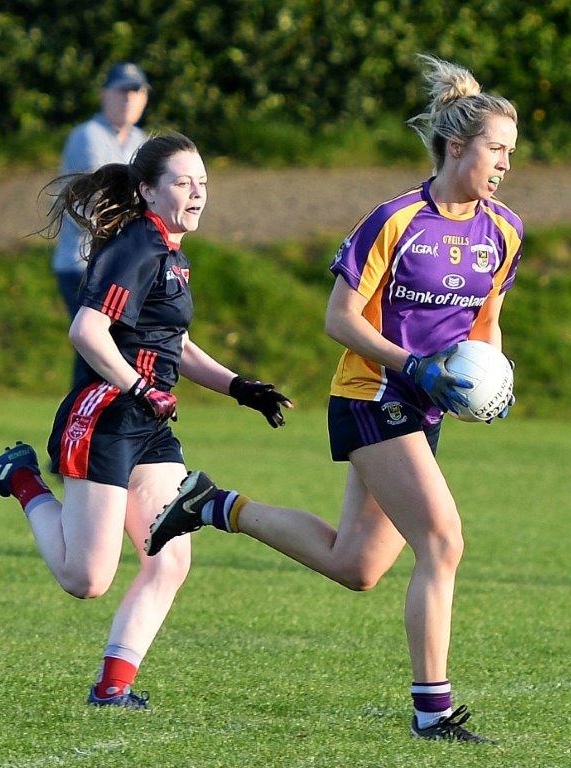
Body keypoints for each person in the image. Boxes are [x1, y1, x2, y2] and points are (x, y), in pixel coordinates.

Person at [146, 54, 523, 742]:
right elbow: (339, 319)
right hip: (371, 394)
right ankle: (432, 713)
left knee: (359, 565)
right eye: (496, 149)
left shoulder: (503, 230)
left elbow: (485, 324)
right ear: (457, 145)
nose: (504, 165)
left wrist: (493, 376)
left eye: (510, 153)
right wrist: (416, 365)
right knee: (443, 541)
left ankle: (213, 504)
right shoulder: (395, 220)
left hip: (424, 406)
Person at [0, 133, 291, 709]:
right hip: (106, 418)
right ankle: (20, 479)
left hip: (150, 425)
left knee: (170, 557)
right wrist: (137, 385)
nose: (197, 193)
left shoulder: (171, 250)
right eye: (183, 182)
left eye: (203, 182)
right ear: (147, 191)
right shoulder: (136, 246)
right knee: (86, 581)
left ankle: (114, 687)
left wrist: (237, 386)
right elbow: (87, 331)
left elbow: (172, 343)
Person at [53, 62, 150, 384]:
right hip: (81, 263)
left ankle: (88, 427)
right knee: (94, 350)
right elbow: (105, 205)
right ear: (104, 95)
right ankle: (78, 429)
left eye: (135, 92)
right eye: (121, 91)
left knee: (107, 352)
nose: (128, 99)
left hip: (118, 264)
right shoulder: (87, 136)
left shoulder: (140, 140)